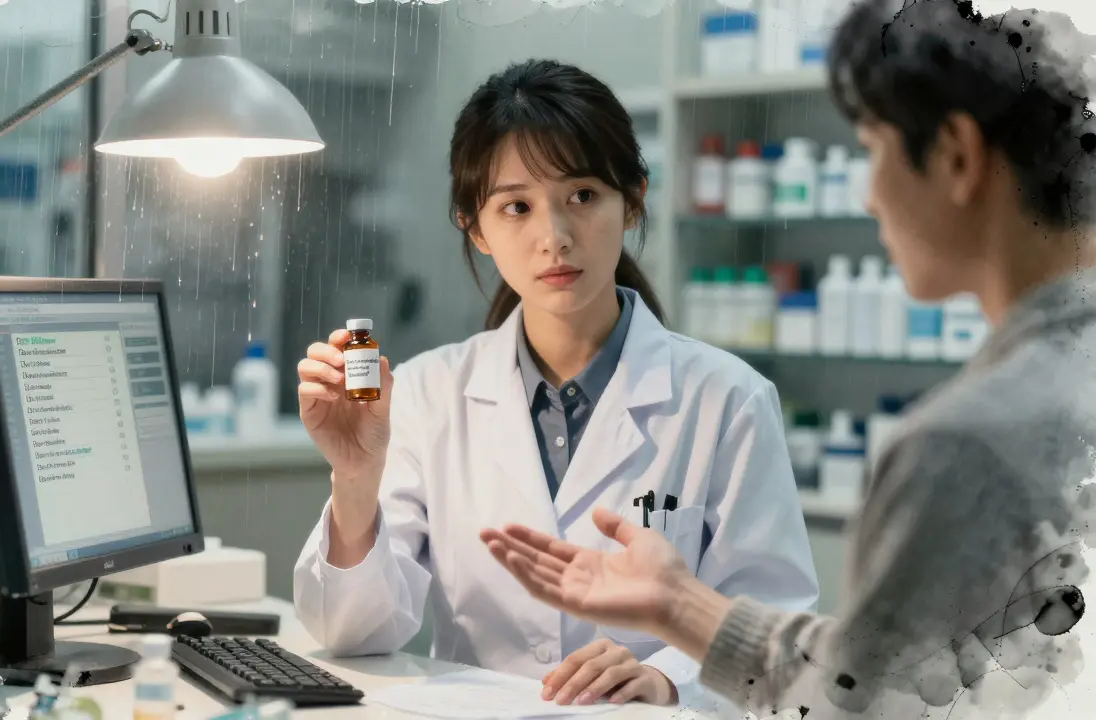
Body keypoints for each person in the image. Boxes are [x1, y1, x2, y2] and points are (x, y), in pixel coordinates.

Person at [482, 2, 1096, 716]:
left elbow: (872, 704)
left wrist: (677, 639)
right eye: (515, 206)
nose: (866, 194)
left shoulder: (965, 444)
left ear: (956, 156)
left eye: (871, 149)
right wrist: (682, 605)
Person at [291, 59, 819, 709]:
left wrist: (668, 681)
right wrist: (354, 476)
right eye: (517, 206)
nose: (554, 238)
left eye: (583, 197)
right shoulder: (429, 393)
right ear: (476, 226)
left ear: (633, 201)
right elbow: (355, 633)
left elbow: (777, 644)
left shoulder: (727, 401)